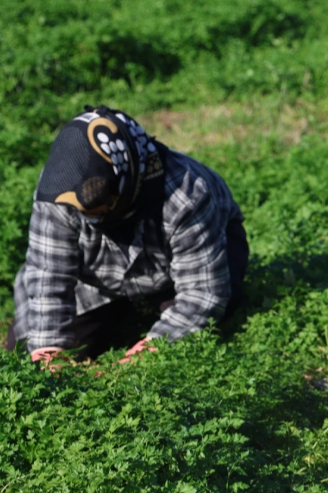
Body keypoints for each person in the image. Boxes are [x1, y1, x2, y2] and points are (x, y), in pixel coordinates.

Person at [4, 105, 248, 366]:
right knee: (23, 350)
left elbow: (203, 295)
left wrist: (143, 358)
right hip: (97, 276)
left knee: (208, 320)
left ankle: (145, 311)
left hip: (171, 271)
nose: (92, 218)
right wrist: (49, 351)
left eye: (101, 209)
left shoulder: (186, 195)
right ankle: (120, 308)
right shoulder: (58, 188)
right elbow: (47, 274)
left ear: (125, 183)